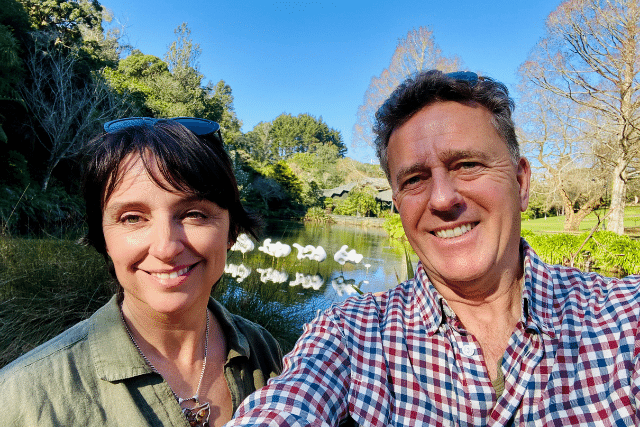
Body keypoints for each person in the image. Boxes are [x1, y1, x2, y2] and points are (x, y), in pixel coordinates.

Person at [224, 70, 640, 426]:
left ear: (521, 181)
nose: (442, 200)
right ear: (399, 204)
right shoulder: (347, 338)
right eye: (415, 179)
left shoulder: (624, 320)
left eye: (467, 165)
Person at [0, 117, 283, 426]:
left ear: (232, 231)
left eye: (194, 214)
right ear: (103, 238)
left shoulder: (263, 352)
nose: (166, 247)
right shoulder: (23, 398)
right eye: (132, 218)